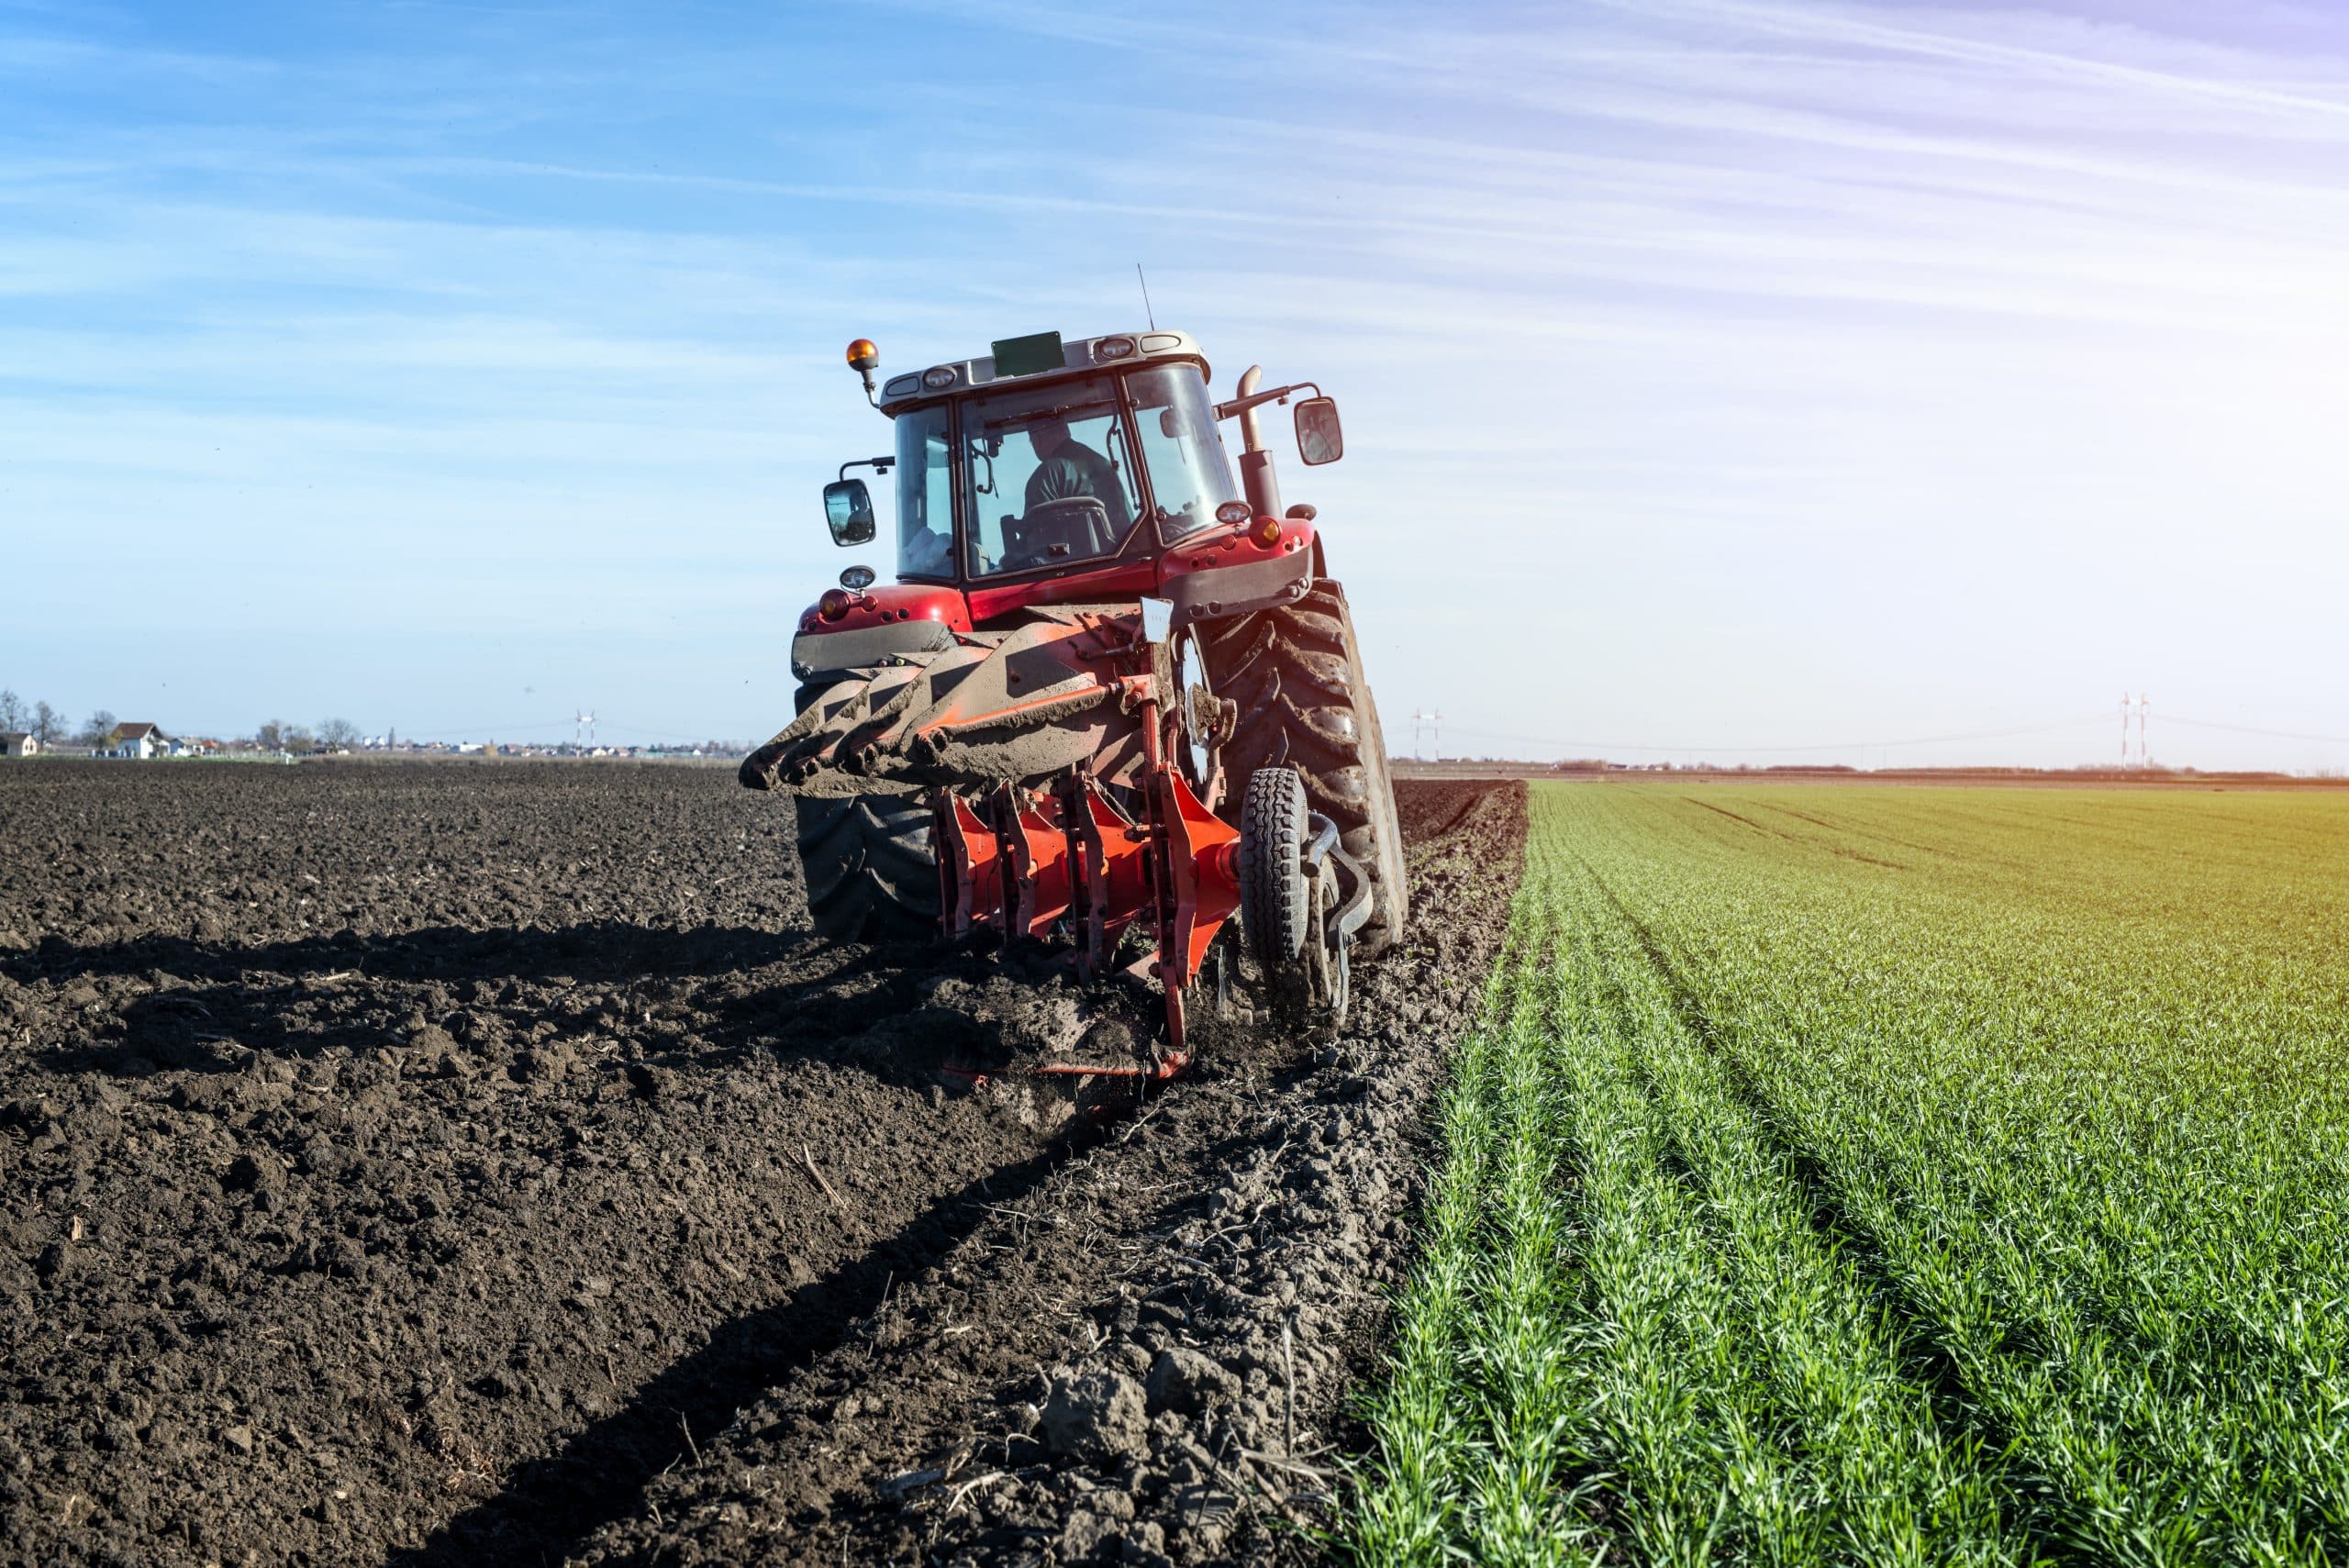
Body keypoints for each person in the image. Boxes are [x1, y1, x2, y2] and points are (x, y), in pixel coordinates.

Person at [1024, 415, 1132, 537]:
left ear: (1038, 438)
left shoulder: (1046, 474)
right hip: (1127, 549)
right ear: (1066, 430)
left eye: (1031, 441)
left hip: (1081, 554)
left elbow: (1037, 539)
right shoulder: (1102, 463)